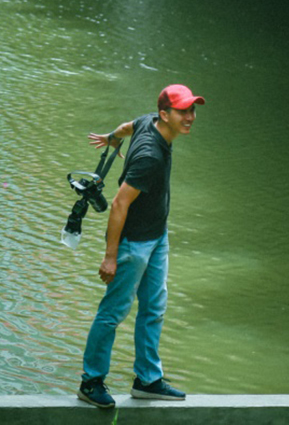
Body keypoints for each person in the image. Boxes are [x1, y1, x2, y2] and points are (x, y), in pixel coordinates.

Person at [76, 83, 205, 409]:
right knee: (113, 312)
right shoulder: (150, 157)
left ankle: (147, 380)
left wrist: (112, 138)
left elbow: (126, 127)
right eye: (183, 111)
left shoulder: (150, 121)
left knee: (153, 309)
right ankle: (90, 382)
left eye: (192, 109)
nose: (190, 116)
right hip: (134, 244)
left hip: (157, 237)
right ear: (165, 114)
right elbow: (119, 205)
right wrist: (110, 257)